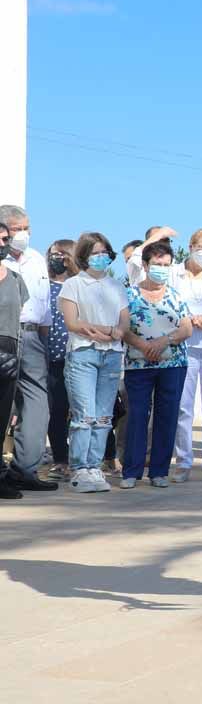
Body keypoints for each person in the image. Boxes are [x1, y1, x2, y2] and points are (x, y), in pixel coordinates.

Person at [130, 227, 202, 483]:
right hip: (180, 345)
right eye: (201, 247)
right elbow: (137, 264)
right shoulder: (173, 271)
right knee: (183, 407)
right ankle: (183, 463)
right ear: (189, 246)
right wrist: (158, 236)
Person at [57, 232, 129, 494]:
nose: (101, 257)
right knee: (84, 415)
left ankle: (94, 466)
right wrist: (105, 330)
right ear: (84, 256)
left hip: (111, 355)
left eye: (104, 252)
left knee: (103, 416)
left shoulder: (116, 286)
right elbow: (74, 323)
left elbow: (124, 321)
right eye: (95, 253)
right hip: (83, 353)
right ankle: (79, 469)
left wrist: (114, 332)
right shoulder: (73, 285)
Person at [120, 240, 193, 488]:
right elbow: (123, 329)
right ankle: (131, 471)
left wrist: (165, 341)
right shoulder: (128, 294)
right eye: (157, 264)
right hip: (138, 365)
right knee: (138, 416)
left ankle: (159, 471)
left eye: (166, 265)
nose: (161, 268)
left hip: (173, 364)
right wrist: (144, 346)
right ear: (145, 265)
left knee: (168, 416)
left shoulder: (175, 295)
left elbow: (186, 328)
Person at [0, 204, 57, 493]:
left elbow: (44, 305)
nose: (23, 234)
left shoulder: (36, 259)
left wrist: (44, 341)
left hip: (33, 336)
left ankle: (25, 469)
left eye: (26, 228)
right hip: (5, 335)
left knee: (37, 403)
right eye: (16, 228)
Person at [0, 224, 31, 500]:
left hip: (9, 348)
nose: (4, 242)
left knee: (2, 417)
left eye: (6, 238)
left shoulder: (15, 279)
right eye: (1, 238)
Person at [45, 239, 76, 481]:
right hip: (52, 358)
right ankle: (60, 459)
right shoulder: (43, 285)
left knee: (85, 411)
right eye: (53, 255)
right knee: (57, 410)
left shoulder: (79, 285)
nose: (57, 259)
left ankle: (101, 457)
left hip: (79, 355)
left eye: (62, 255)